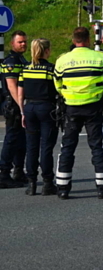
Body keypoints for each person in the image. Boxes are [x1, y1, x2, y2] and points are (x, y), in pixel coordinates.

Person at [54, 27, 103, 199]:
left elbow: (57, 83)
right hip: (94, 107)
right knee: (98, 146)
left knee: (67, 147)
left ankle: (63, 187)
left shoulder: (62, 60)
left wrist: (66, 95)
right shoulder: (100, 58)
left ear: (74, 41)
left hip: (71, 107)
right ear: (88, 40)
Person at [16, 38, 59, 196]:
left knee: (31, 147)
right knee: (46, 146)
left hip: (29, 108)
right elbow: (58, 89)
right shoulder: (50, 69)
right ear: (47, 51)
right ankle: (47, 182)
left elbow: (21, 94)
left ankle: (32, 183)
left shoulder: (26, 69)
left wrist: (22, 112)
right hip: (46, 108)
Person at [0, 30, 29, 188]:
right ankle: (3, 173)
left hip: (19, 103)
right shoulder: (11, 61)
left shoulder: (20, 59)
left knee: (21, 139)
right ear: (12, 43)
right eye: (20, 42)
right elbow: (12, 86)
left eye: (24, 41)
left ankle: (18, 171)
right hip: (13, 104)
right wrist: (21, 107)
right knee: (11, 139)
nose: (23, 44)